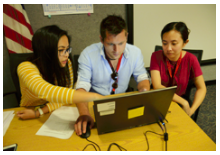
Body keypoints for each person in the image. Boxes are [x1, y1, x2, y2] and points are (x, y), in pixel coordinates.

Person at [74, 15, 151, 136]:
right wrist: (84, 113)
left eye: (121, 43)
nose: (117, 50)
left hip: (121, 104)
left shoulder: (135, 53)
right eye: (110, 44)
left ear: (126, 36)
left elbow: (142, 77)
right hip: (95, 105)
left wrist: (144, 91)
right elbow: (81, 87)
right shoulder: (88, 54)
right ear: (101, 39)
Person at [16, 25, 104, 120]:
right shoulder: (25, 67)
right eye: (61, 50)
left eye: (67, 49)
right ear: (46, 51)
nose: (66, 55)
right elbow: (46, 91)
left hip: (53, 110)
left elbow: (62, 98)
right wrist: (96, 96)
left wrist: (39, 112)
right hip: (28, 111)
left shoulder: (67, 64)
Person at [150, 22, 206, 117]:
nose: (168, 48)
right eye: (164, 43)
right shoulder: (156, 56)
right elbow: (157, 86)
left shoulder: (191, 59)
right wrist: (184, 102)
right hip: (159, 99)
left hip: (178, 102)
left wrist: (191, 110)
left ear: (185, 43)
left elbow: (202, 88)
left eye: (174, 43)